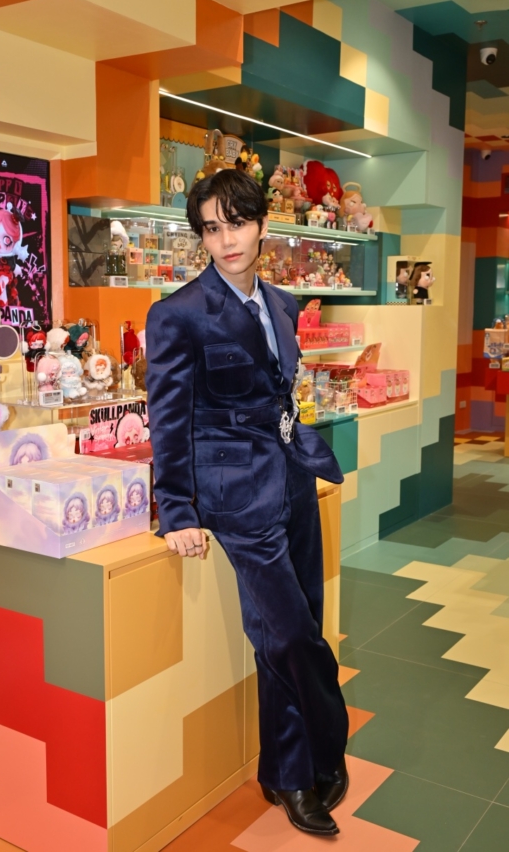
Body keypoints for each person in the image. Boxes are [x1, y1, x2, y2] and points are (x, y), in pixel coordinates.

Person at [145, 169, 349, 838]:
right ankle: (325, 743)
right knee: (292, 636)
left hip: (292, 480)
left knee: (289, 632)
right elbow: (169, 420)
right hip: (234, 496)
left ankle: (286, 772)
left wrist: (304, 456)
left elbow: (284, 395)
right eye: (212, 228)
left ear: (262, 225)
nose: (226, 240)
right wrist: (177, 509)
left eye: (236, 223)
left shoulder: (284, 305)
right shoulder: (178, 314)